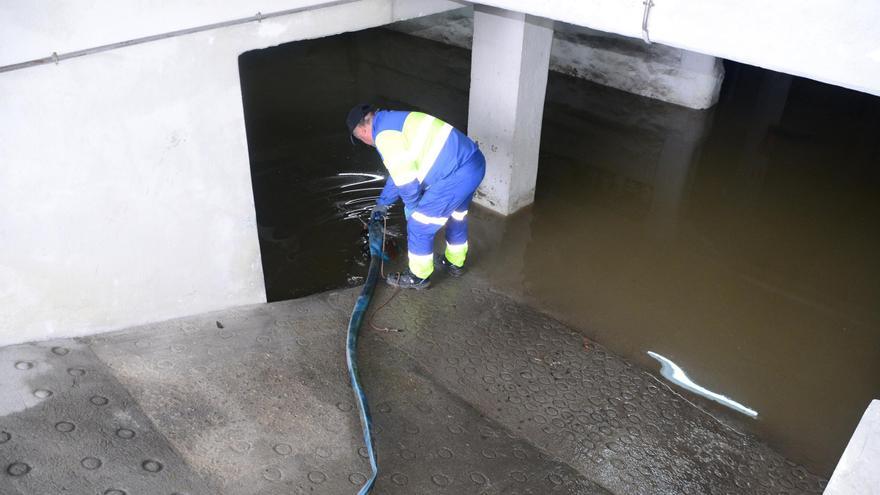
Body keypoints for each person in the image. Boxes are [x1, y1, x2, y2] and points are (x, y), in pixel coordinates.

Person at [346, 104, 486, 289]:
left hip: (456, 174)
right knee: (456, 216)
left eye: (361, 139)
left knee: (419, 225)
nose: (366, 142)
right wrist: (382, 203)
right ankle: (454, 262)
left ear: (363, 132)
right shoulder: (393, 121)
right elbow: (398, 173)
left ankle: (418, 277)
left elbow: (406, 182)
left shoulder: (385, 137)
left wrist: (412, 207)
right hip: (473, 163)